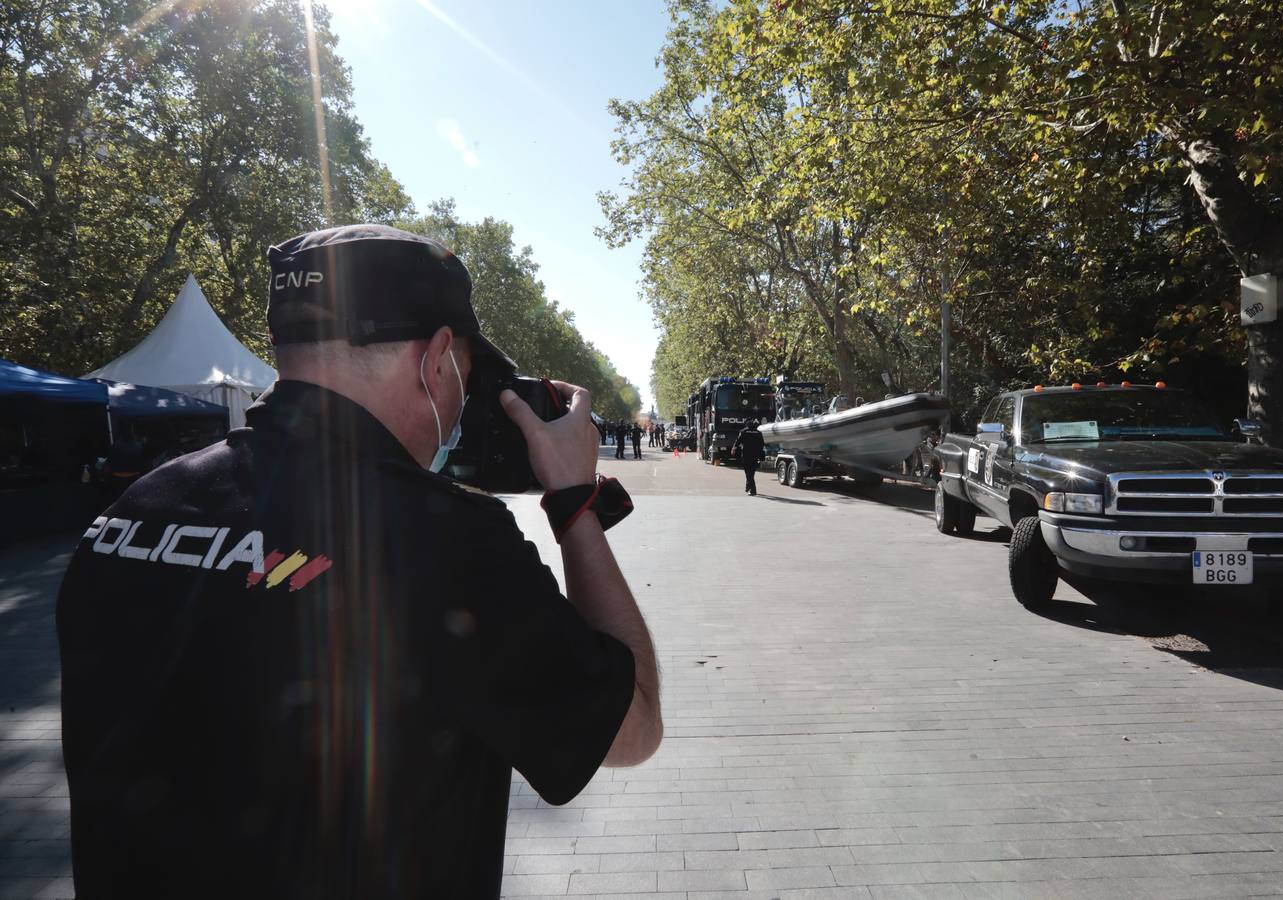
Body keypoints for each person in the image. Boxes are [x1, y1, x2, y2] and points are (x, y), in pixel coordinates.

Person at [56, 224, 662, 900]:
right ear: (435, 360)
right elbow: (632, 726)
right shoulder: (448, 540)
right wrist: (575, 503)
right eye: (466, 374)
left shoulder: (132, 512)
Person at [732, 419, 766, 495]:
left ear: (747, 425)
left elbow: (738, 441)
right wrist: (761, 456)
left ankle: (753, 490)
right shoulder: (759, 433)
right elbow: (762, 445)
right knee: (752, 472)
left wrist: (734, 448)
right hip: (755, 455)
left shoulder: (744, 431)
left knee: (748, 473)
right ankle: (748, 487)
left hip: (746, 454)